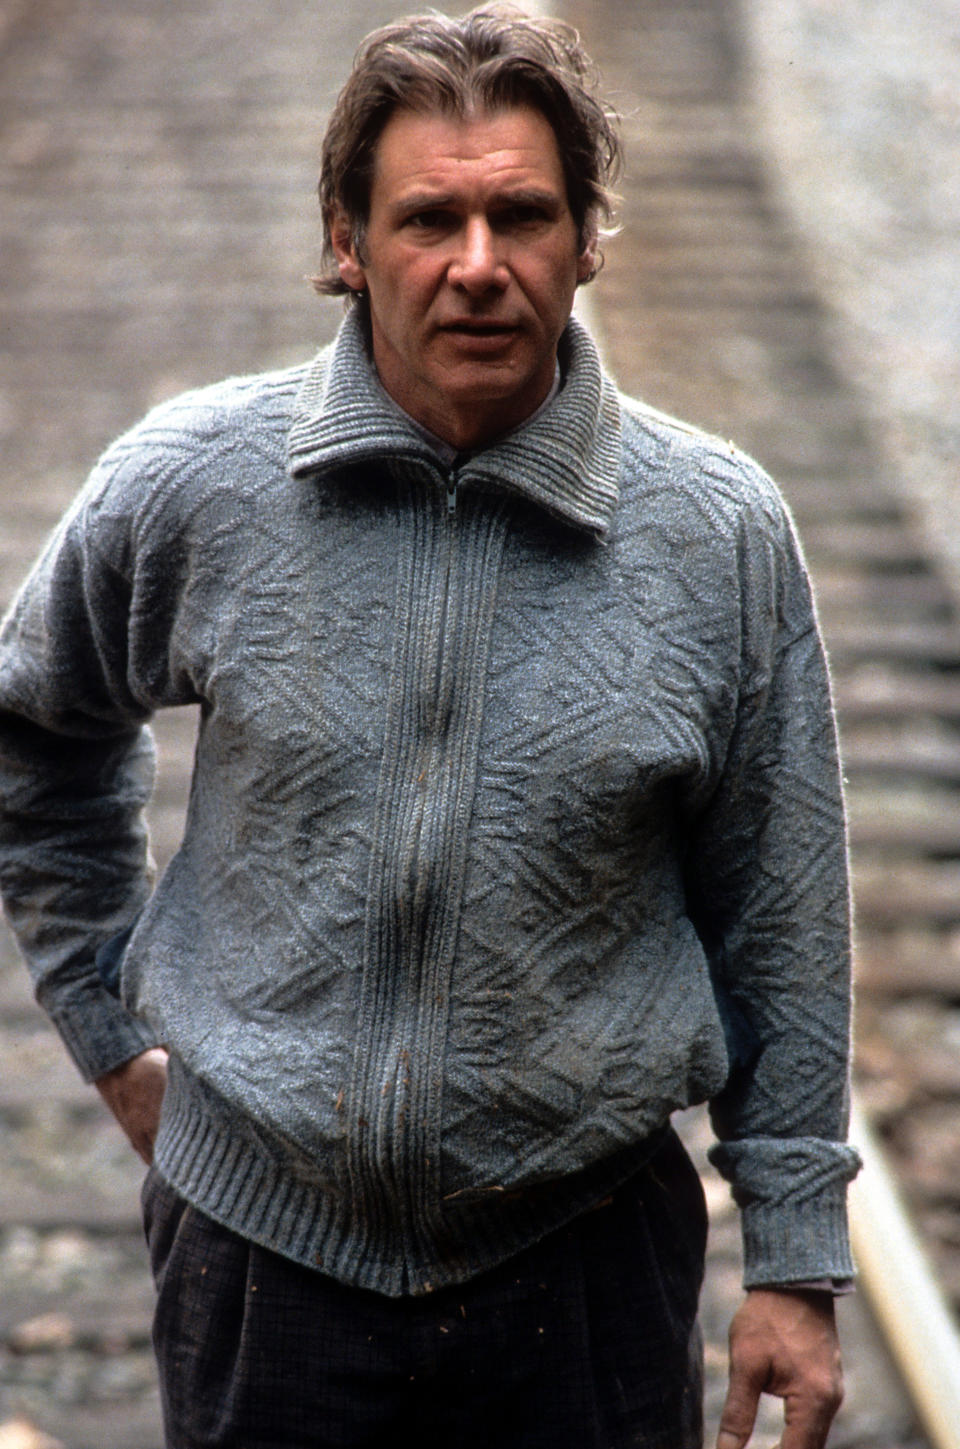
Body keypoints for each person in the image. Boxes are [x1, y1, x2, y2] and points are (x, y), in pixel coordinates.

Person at [0, 6, 860, 1447]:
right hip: (261, 1264)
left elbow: (781, 899)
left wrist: (794, 1251)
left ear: (588, 236)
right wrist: (106, 1021)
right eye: (427, 218)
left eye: (521, 213)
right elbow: (38, 727)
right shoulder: (195, 484)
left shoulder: (716, 532)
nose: (476, 265)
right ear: (347, 240)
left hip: (581, 1267)